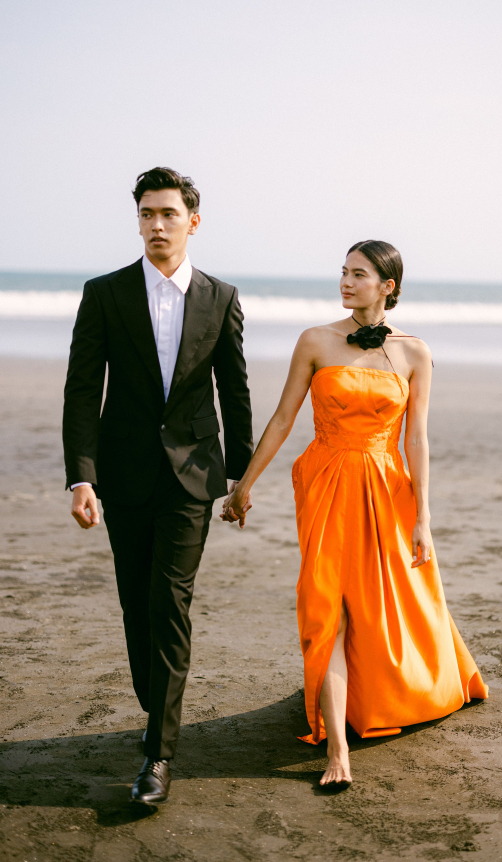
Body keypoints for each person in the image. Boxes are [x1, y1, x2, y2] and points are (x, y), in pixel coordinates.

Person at [222, 239, 488, 787]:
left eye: (359, 274)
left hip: (387, 488)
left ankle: (391, 691)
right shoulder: (316, 340)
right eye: (342, 272)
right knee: (329, 608)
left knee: (378, 603)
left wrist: (424, 518)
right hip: (325, 481)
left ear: (387, 285)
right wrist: (244, 485)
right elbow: (280, 418)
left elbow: (417, 439)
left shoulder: (414, 353)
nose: (345, 282)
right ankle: (337, 750)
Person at [63, 167, 253, 805]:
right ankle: (157, 709)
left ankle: (157, 754)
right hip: (123, 473)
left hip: (192, 477)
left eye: (168, 214)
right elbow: (83, 391)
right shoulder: (106, 293)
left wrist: (240, 476)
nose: (156, 225)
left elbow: (235, 388)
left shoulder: (221, 297)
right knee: (135, 603)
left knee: (169, 604)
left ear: (192, 220)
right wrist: (81, 477)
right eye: (147, 214)